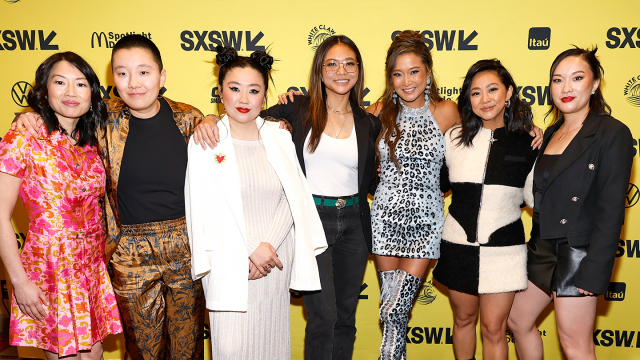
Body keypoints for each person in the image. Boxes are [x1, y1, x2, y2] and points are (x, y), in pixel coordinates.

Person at [11, 34, 222, 359]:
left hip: (186, 250)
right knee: (141, 351)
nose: (134, 83)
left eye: (144, 72)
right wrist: (28, 116)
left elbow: (237, 131)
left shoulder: (189, 118)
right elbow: (59, 122)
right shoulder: (102, 120)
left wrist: (218, 117)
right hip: (129, 254)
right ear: (113, 80)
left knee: (188, 349)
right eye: (122, 73)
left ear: (161, 76)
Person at [196, 35, 381, 360]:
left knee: (346, 319)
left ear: (358, 70)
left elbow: (372, 180)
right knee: (322, 316)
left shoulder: (370, 123)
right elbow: (243, 112)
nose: (341, 70)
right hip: (310, 220)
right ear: (319, 70)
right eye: (332, 63)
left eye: (349, 63)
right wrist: (208, 119)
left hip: (354, 223)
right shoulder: (297, 109)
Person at [185, 45, 327, 360]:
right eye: (234, 89)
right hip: (227, 260)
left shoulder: (279, 136)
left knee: (271, 346)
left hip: (275, 259)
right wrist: (250, 248)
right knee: (232, 349)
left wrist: (267, 248)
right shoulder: (205, 141)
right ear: (220, 92)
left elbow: (294, 198)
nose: (244, 99)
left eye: (254, 90)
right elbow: (204, 208)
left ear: (264, 96)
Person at [507, 47, 634, 360]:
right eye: (557, 80)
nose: (566, 88)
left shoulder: (612, 133)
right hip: (542, 246)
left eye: (577, 78)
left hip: (577, 251)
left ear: (594, 84)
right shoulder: (550, 133)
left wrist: (595, 271)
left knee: (574, 345)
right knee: (517, 320)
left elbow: (611, 210)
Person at [0, 52, 122, 359]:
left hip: (91, 271)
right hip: (49, 272)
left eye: (80, 84)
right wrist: (19, 282)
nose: (70, 92)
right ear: (44, 90)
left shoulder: (93, 139)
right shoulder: (24, 136)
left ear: (92, 93)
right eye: (60, 82)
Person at [433, 59, 538, 360]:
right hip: (457, 244)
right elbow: (437, 185)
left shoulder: (528, 142)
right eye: (476, 93)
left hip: (504, 250)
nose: (485, 99)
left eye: (493, 89)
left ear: (509, 93)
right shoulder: (453, 138)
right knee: (463, 320)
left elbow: (534, 198)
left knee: (494, 329)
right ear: (468, 99)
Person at [364, 30, 460, 360]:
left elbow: (470, 155)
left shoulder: (447, 111)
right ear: (390, 77)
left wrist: (529, 128)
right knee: (395, 315)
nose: (407, 81)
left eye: (414, 71)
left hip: (426, 222)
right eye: (398, 73)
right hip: (385, 218)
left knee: (393, 308)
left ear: (428, 72)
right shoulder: (376, 111)